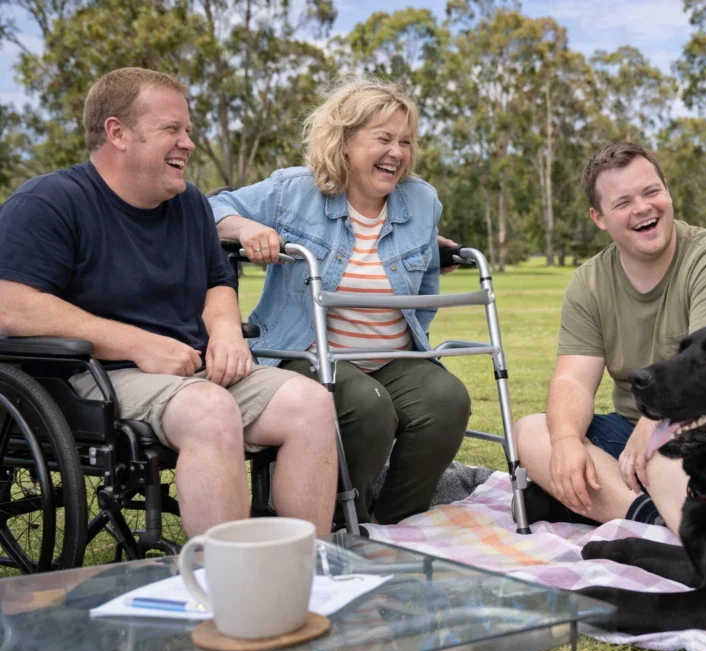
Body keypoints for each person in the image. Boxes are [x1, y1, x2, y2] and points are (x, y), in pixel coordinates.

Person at [0, 67, 339, 536]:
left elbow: (217, 284)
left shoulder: (190, 205)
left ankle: (307, 565)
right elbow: (12, 306)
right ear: (117, 133)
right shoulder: (50, 202)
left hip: (189, 370)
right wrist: (138, 344)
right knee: (210, 409)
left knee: (311, 402)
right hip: (89, 378)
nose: (188, 143)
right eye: (172, 130)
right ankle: (224, 588)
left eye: (188, 131)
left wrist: (225, 334)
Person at [209, 75, 471, 525]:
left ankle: (395, 525)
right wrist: (246, 229)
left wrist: (433, 252)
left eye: (405, 142)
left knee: (446, 398)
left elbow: (425, 278)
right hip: (307, 352)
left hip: (390, 352)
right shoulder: (294, 191)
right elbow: (210, 208)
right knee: (367, 406)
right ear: (346, 141)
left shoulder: (422, 200)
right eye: (384, 138)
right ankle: (341, 518)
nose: (397, 153)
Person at [513, 141, 706, 531]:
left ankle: (605, 505)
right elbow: (573, 380)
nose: (643, 208)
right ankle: (648, 519)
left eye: (652, 191)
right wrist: (567, 442)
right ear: (599, 217)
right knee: (533, 433)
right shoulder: (590, 282)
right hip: (631, 432)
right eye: (622, 202)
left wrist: (655, 425)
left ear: (667, 192)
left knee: (666, 457)